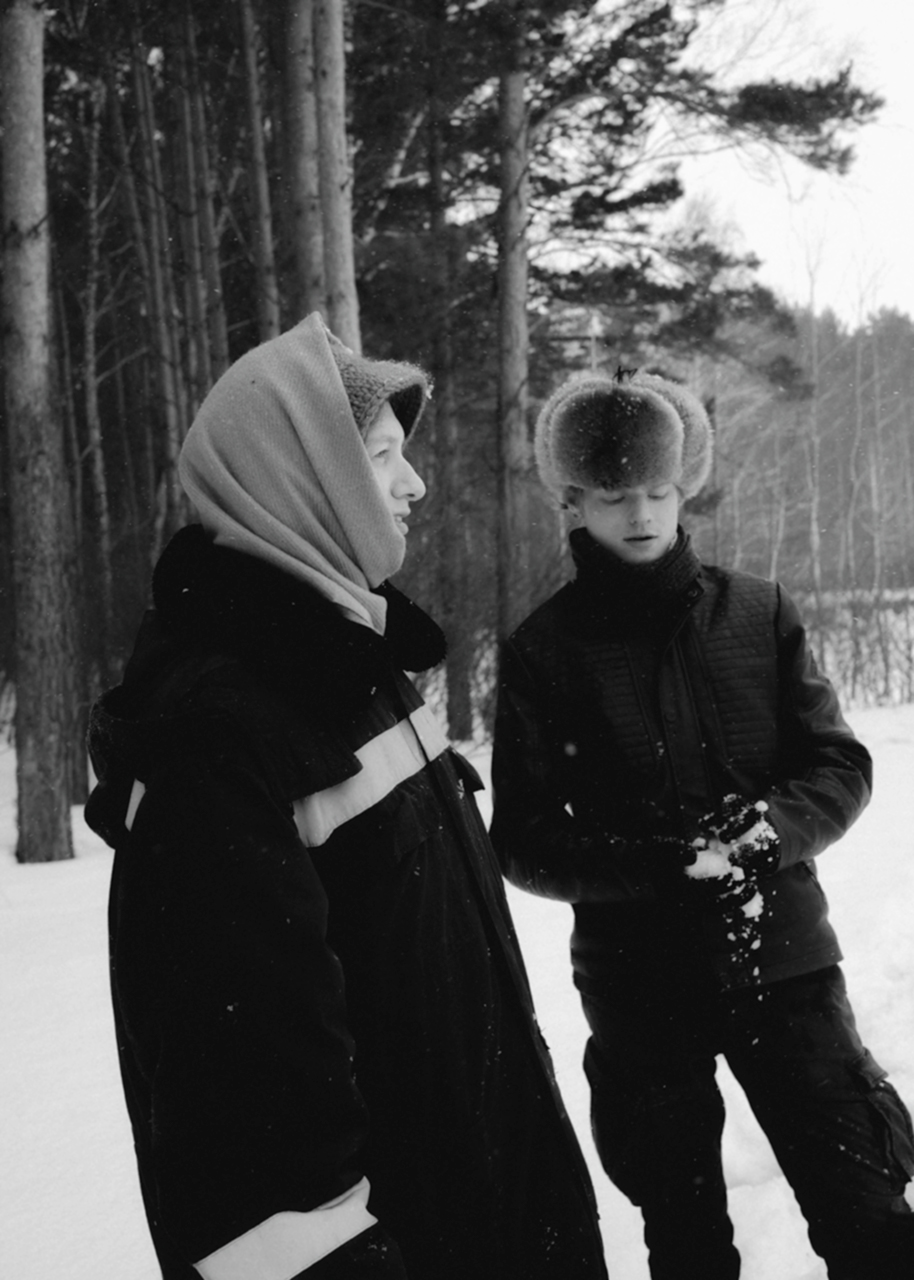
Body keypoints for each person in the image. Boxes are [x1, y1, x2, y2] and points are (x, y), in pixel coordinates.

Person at [85, 314, 609, 1280]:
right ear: (298, 480)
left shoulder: (350, 667)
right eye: (380, 457)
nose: (414, 484)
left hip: (491, 1207)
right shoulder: (220, 733)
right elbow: (244, 1118)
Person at [490, 368, 914, 1280]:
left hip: (787, 964)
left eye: (657, 489)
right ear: (574, 501)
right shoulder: (542, 652)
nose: (639, 513)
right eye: (612, 496)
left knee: (869, 1214)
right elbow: (522, 839)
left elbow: (841, 763)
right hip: (639, 988)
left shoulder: (758, 612)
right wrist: (651, 866)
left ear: (687, 488)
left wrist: (768, 832)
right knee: (684, 1238)